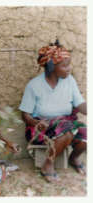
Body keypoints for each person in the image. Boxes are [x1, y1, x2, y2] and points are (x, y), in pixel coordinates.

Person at [19, 40, 87, 183]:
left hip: (65, 125)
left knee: (85, 134)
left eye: (69, 64)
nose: (69, 68)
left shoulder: (69, 81)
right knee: (67, 128)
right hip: (41, 129)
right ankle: (48, 164)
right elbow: (25, 114)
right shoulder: (34, 85)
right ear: (51, 67)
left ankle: (73, 158)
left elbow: (80, 103)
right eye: (65, 65)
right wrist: (35, 122)